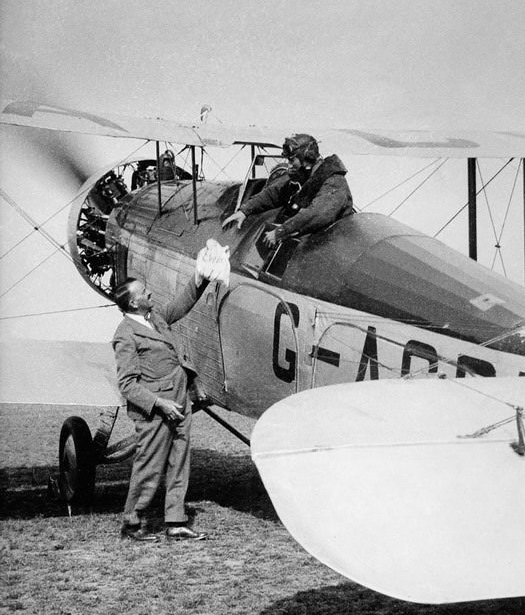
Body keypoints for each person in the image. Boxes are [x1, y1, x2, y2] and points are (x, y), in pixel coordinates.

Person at [112, 272, 208, 543]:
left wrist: (201, 278)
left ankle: (176, 522)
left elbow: (182, 303)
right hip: (155, 411)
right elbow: (127, 385)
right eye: (144, 292)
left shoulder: (155, 318)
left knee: (180, 461)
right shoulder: (125, 335)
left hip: (179, 401)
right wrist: (159, 404)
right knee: (149, 466)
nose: (150, 294)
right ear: (132, 304)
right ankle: (132, 523)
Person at [222, 134, 354, 247]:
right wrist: (244, 211)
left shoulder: (334, 182)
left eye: (292, 160)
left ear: (306, 158)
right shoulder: (307, 177)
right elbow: (276, 193)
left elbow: (317, 214)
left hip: (336, 245)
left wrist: (281, 232)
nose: (289, 165)